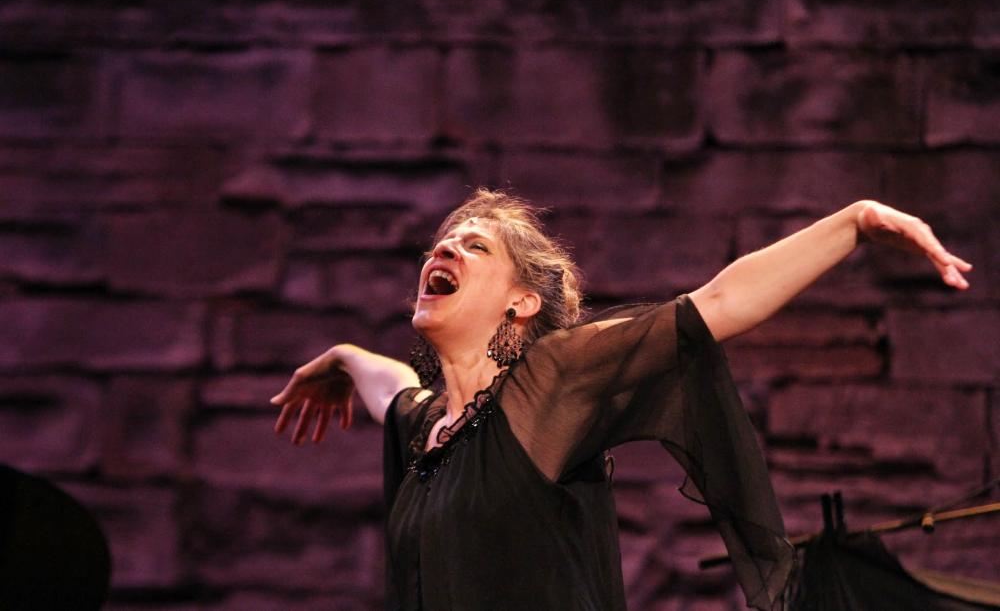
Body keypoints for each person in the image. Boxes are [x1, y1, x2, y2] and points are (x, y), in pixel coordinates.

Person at [270, 190, 971, 611]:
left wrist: (855, 222)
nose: (443, 251)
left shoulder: (544, 387)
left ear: (522, 302)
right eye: (440, 244)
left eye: (474, 247)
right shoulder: (428, 428)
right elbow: (388, 382)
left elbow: (717, 304)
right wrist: (341, 359)